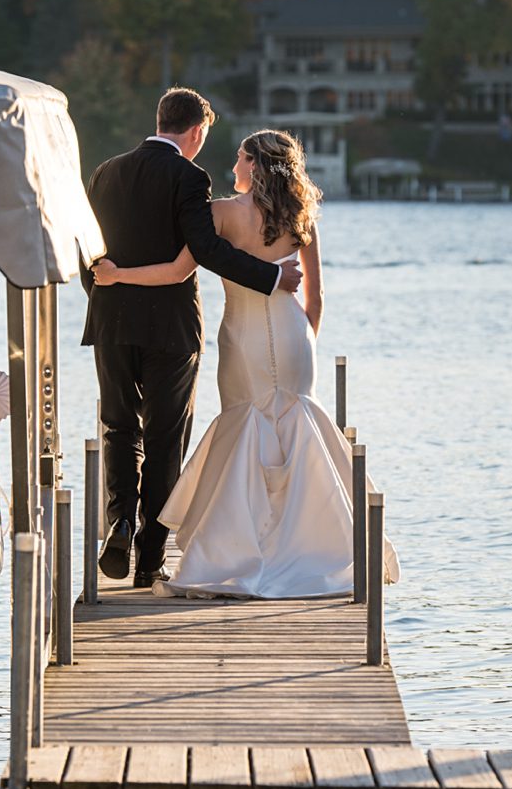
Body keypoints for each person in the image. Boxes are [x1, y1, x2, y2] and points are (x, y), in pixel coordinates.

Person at [94, 128, 398, 598]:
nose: (233, 165)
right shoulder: (302, 216)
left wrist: (118, 276)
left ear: (255, 165)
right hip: (295, 337)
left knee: (244, 431)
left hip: (241, 339)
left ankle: (238, 551)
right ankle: (311, 547)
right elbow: (316, 297)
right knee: (297, 434)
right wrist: (305, 338)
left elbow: (176, 272)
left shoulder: (219, 214)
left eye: (240, 157)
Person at [80, 89, 303, 587]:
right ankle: (149, 557)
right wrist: (271, 277)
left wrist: (104, 295)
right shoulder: (190, 177)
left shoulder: (105, 172)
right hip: (172, 328)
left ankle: (119, 519)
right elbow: (205, 250)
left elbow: (84, 249)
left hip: (111, 322)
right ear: (197, 132)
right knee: (166, 437)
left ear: (159, 118)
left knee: (118, 425)